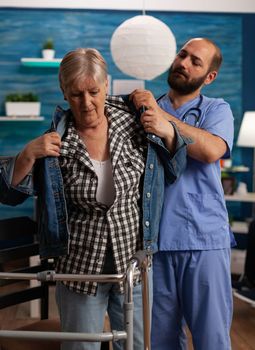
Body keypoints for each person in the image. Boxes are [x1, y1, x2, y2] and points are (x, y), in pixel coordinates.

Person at [0, 48, 189, 350]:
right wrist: (27, 154)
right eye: (76, 94)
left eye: (93, 91)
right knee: (81, 346)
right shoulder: (56, 140)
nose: (86, 103)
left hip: (133, 263)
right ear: (64, 93)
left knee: (137, 346)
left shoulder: (137, 122)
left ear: (105, 86)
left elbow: (176, 167)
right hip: (79, 265)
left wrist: (167, 129)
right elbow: (8, 193)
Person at [130, 37, 235, 350]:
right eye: (182, 54)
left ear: (209, 76)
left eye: (195, 62)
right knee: (159, 340)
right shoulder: (147, 108)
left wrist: (166, 123)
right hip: (155, 244)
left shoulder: (216, 109)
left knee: (211, 338)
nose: (184, 63)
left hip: (204, 241)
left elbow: (212, 149)